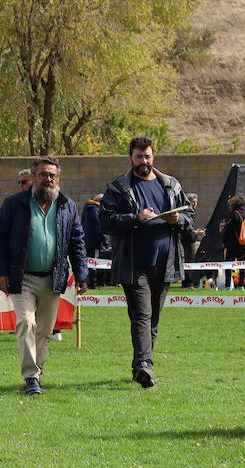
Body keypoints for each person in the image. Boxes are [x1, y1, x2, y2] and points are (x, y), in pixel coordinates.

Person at [100, 136, 195, 388]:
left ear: (154, 157)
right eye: (139, 156)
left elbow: (190, 219)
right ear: (130, 157)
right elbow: (106, 221)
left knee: (153, 318)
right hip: (133, 264)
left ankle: (140, 366)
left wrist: (178, 221)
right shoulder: (119, 188)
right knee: (142, 315)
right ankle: (145, 366)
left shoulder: (171, 185)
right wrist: (136, 217)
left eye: (148, 156)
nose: (144, 161)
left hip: (166, 264)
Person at [0, 157, 89, 395]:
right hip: (22, 277)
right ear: (34, 177)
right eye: (43, 175)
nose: (48, 179)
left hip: (53, 277)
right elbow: (0, 238)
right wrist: (1, 272)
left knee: (45, 331)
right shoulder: (14, 204)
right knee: (26, 322)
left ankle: (37, 372)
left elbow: (77, 242)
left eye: (52, 175)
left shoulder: (67, 206)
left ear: (58, 178)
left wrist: (82, 274)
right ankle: (31, 377)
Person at [220, 193, 245, 288]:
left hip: (233, 245)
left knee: (228, 265)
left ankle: (228, 286)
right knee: (242, 266)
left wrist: (224, 242)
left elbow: (228, 230)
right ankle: (241, 286)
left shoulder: (234, 215)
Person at [179, 194, 206, 288]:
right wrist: (197, 232)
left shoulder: (191, 212)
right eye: (192, 202)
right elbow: (187, 228)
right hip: (188, 240)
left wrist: (198, 230)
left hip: (191, 239)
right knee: (189, 261)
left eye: (196, 202)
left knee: (190, 261)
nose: (195, 204)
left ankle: (187, 283)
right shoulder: (187, 212)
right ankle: (188, 284)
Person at [81, 195, 107, 288]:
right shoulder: (96, 210)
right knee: (94, 263)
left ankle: (86, 282)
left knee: (87, 262)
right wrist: (105, 242)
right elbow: (99, 227)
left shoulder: (87, 209)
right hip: (94, 242)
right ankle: (93, 284)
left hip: (86, 241)